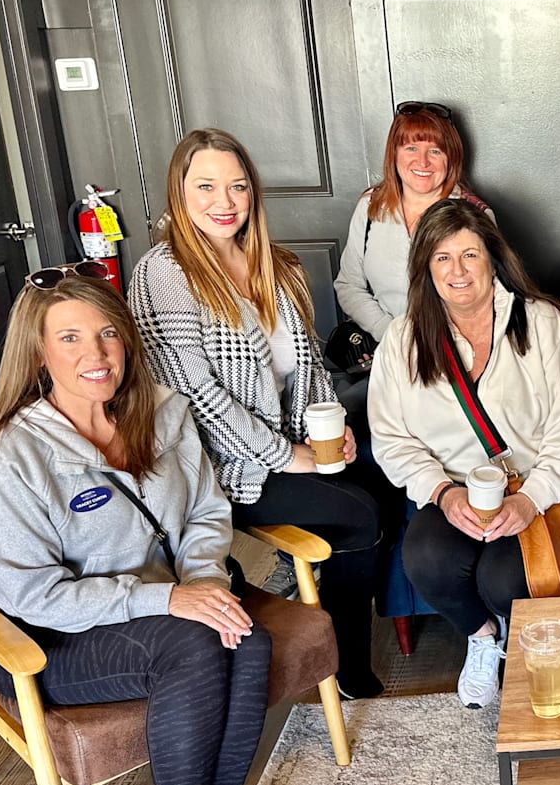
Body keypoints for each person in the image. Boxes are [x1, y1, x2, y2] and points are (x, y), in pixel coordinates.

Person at [0, 276, 272, 785]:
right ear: (39, 353)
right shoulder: (11, 454)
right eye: (70, 338)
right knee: (197, 639)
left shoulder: (163, 412)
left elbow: (206, 513)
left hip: (163, 610)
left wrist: (203, 582)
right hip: (48, 639)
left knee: (247, 637)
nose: (96, 353)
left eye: (108, 333)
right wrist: (169, 598)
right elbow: (32, 592)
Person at [128, 128, 389, 700]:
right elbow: (195, 396)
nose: (224, 202)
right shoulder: (164, 272)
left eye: (238, 186)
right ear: (179, 191)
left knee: (384, 473)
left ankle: (315, 587)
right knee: (358, 513)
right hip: (218, 468)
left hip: (290, 443)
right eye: (206, 186)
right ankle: (342, 659)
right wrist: (287, 456)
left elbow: (309, 365)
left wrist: (333, 429)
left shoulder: (275, 264)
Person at [368, 198, 560, 710]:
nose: (458, 271)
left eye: (470, 255)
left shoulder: (544, 323)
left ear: (492, 258)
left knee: (504, 576)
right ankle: (484, 636)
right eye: (443, 258)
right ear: (425, 267)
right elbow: (392, 439)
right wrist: (442, 494)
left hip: (537, 484)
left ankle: (522, 641)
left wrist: (531, 498)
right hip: (454, 487)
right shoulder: (402, 340)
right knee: (426, 558)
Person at [332, 101, 493, 344]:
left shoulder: (474, 215)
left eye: (435, 151)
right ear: (394, 153)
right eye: (411, 148)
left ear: (451, 157)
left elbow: (488, 295)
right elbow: (349, 285)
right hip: (386, 346)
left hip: (456, 351)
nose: (422, 161)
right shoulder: (371, 205)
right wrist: (390, 334)